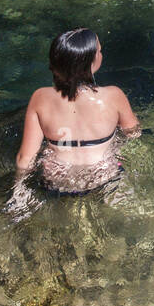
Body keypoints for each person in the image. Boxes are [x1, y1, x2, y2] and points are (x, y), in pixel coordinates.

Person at [11, 28, 140, 209]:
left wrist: (19, 190)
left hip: (57, 181)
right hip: (104, 176)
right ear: (93, 61)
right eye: (100, 51)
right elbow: (133, 133)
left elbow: (25, 157)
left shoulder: (39, 98)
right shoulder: (114, 96)